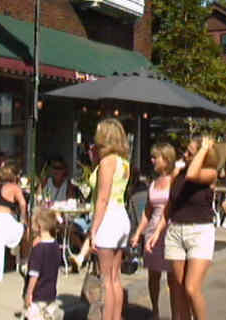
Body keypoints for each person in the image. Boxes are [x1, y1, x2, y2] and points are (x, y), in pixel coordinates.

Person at [147, 136, 218, 320]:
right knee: (178, 289)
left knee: (191, 288)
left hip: (199, 232)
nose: (185, 155)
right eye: (186, 152)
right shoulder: (177, 174)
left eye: (189, 153)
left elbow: (193, 175)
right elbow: (170, 207)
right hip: (176, 231)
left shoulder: (209, 172)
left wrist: (203, 150)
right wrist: (157, 232)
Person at [88, 119, 131, 320]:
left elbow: (102, 198)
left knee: (106, 280)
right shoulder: (124, 162)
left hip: (109, 218)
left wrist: (93, 229)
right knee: (115, 278)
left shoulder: (107, 162)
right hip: (121, 216)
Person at [130, 143, 178, 320]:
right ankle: (155, 310)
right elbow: (148, 212)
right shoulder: (153, 182)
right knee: (153, 275)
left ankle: (175, 314)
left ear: (166, 159)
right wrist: (137, 233)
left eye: (155, 157)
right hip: (152, 233)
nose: (152, 160)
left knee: (173, 278)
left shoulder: (175, 180)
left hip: (171, 231)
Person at [25, 208, 63, 320]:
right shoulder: (56, 246)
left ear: (39, 226)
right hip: (51, 293)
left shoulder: (38, 249)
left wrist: (28, 293)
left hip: (38, 294)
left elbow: (34, 275)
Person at [0, 164, 29, 266]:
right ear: (14, 176)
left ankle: (7, 254)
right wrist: (23, 220)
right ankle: (24, 260)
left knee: (8, 224)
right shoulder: (15, 187)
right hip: (3, 223)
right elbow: (23, 204)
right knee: (26, 230)